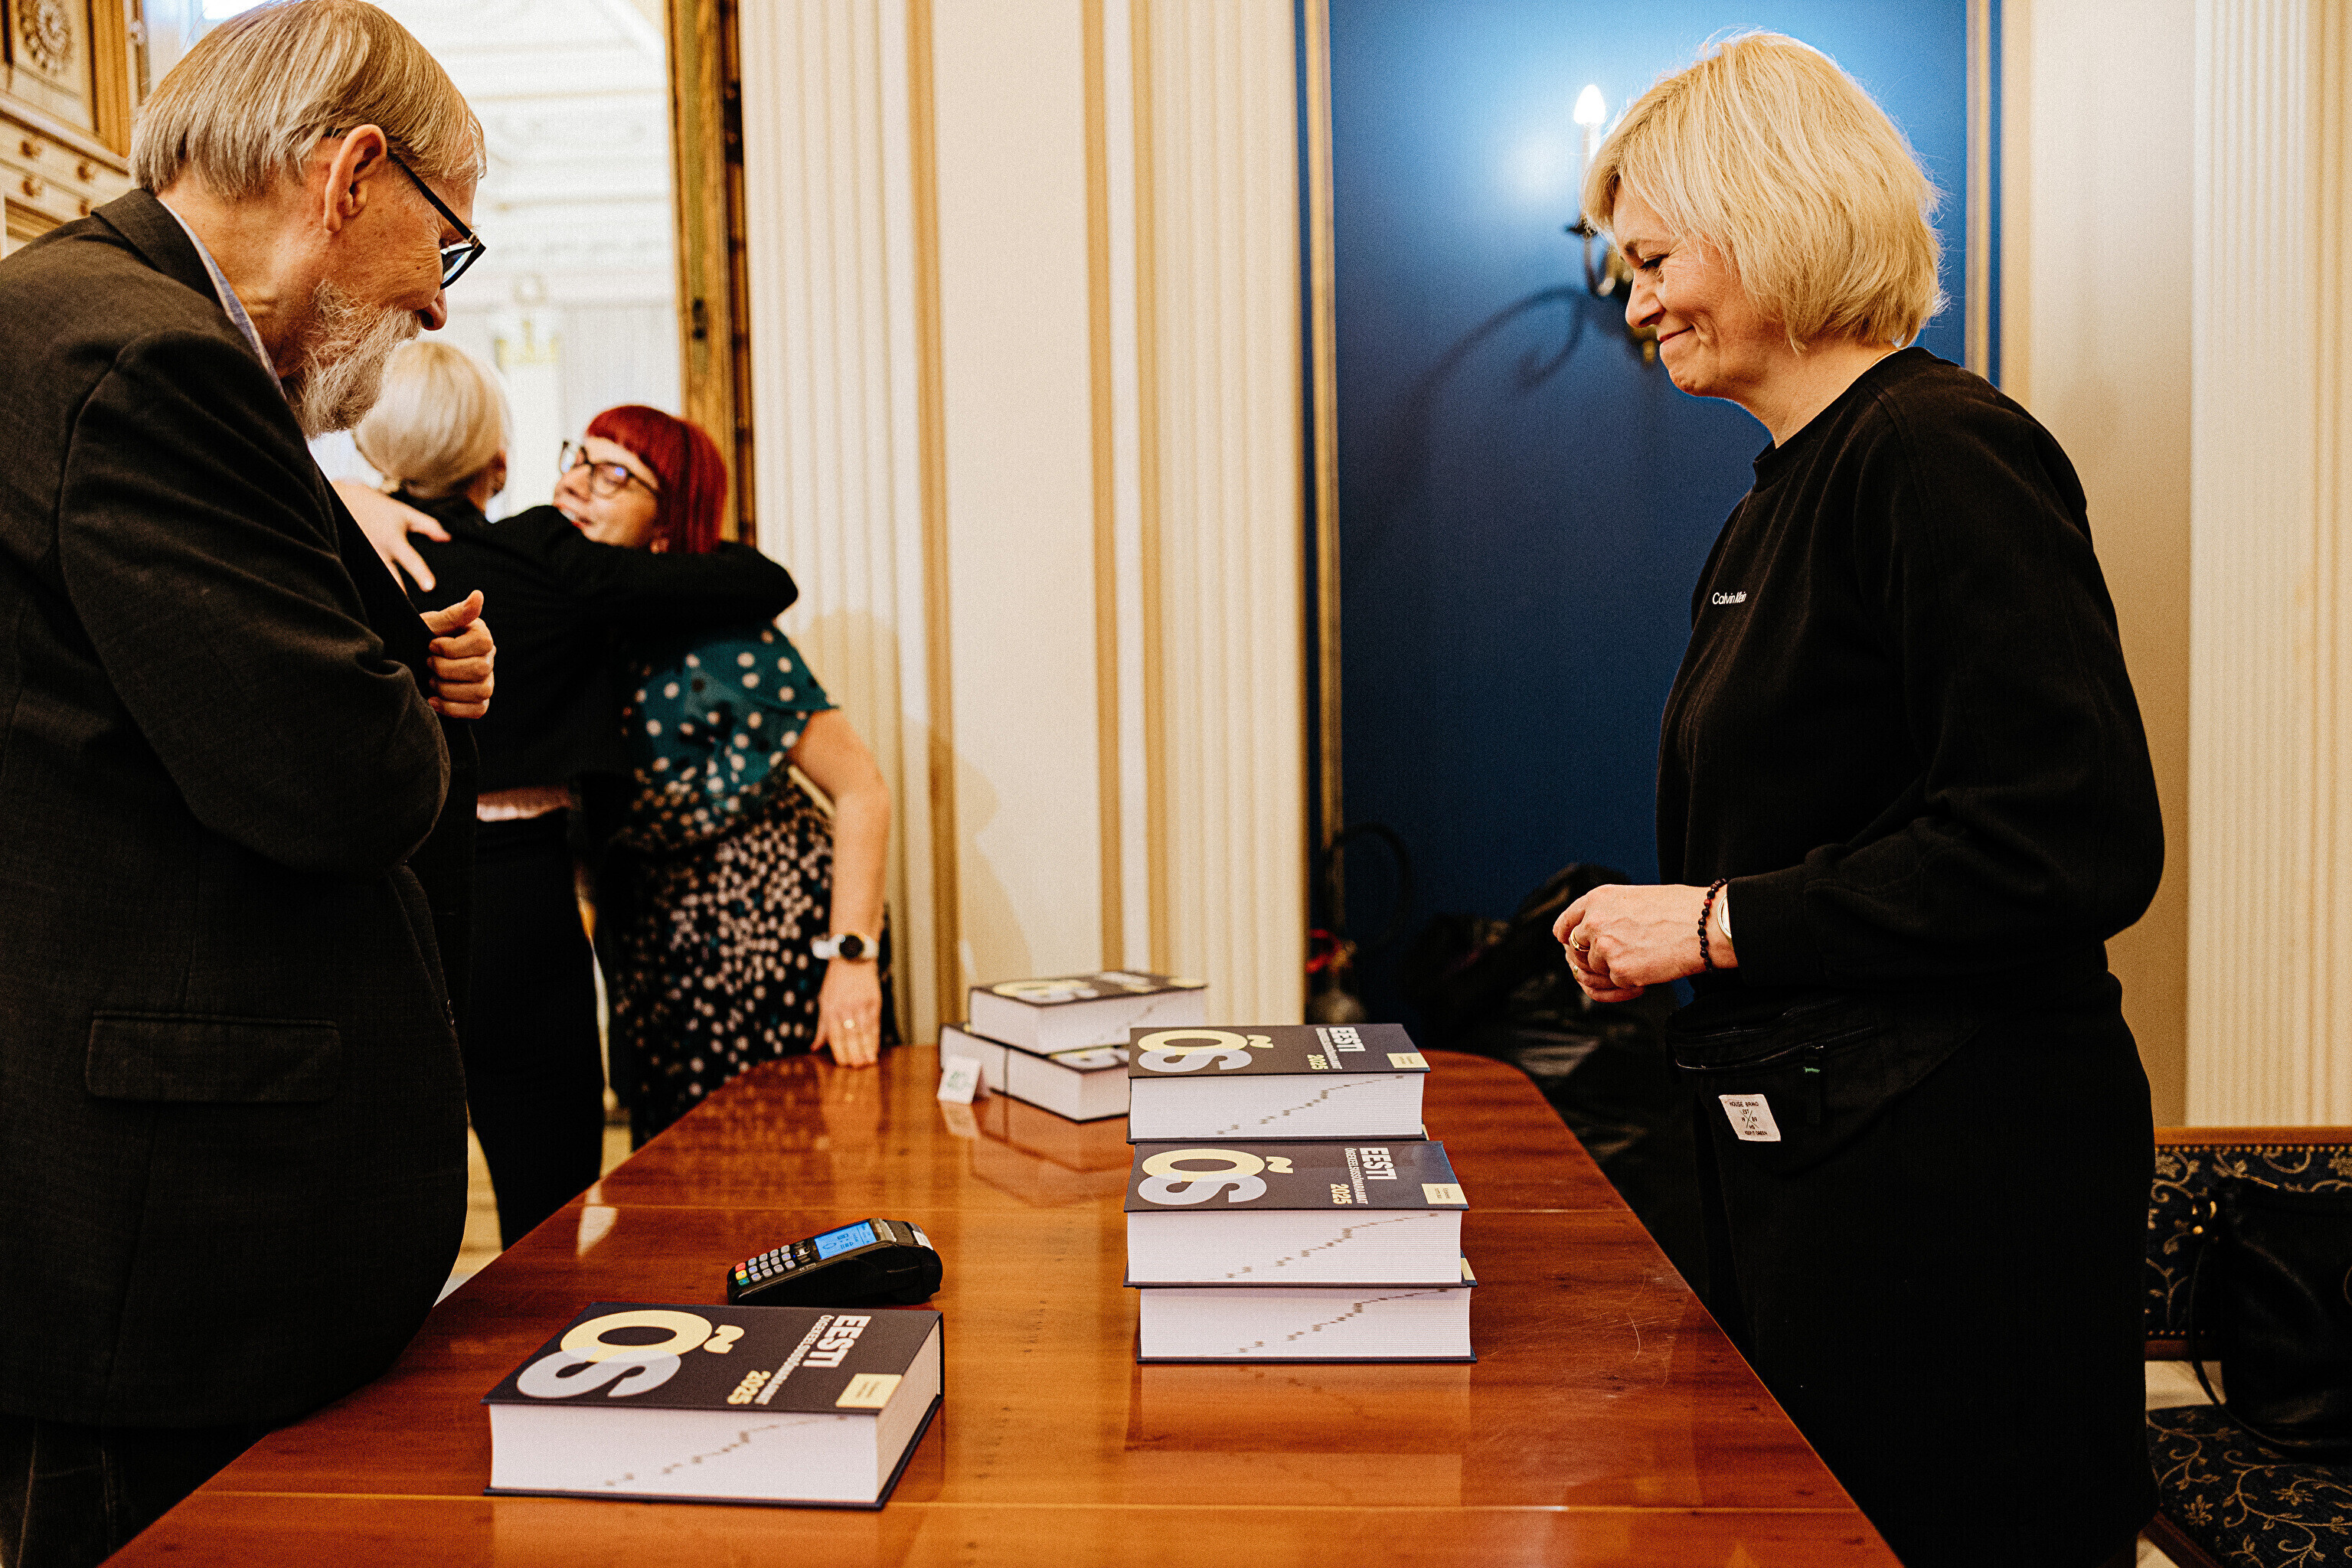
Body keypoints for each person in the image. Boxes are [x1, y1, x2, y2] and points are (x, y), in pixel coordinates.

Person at [1553, 34, 2161, 1568]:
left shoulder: (1940, 453)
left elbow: (2066, 839)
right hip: (1830, 1173)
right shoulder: (1786, 490)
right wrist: (1700, 924)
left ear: (1765, 218)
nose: (1634, 303)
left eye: (1656, 259)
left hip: (1960, 1190)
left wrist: (1712, 923)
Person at [0, 4, 498, 1564]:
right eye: (447, 242)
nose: (434, 298)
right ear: (352, 175)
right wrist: (411, 694)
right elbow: (339, 780)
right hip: (168, 1235)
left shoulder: (81, 317)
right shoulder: (148, 356)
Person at [348, 344, 799, 1244]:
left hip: (375, 888)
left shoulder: (333, 549)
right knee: (548, 1187)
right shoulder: (543, 552)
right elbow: (763, 580)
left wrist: (350, 499)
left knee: (379, 1176)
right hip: (518, 886)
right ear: (497, 461)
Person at [560, 407, 897, 1145]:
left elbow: (861, 789)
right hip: (654, 940)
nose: (577, 483)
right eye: (577, 459)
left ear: (665, 520)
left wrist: (851, 960)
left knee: (785, 1155)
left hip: (768, 931)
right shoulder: (571, 628)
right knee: (677, 1165)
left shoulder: (723, 634)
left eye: (613, 474)